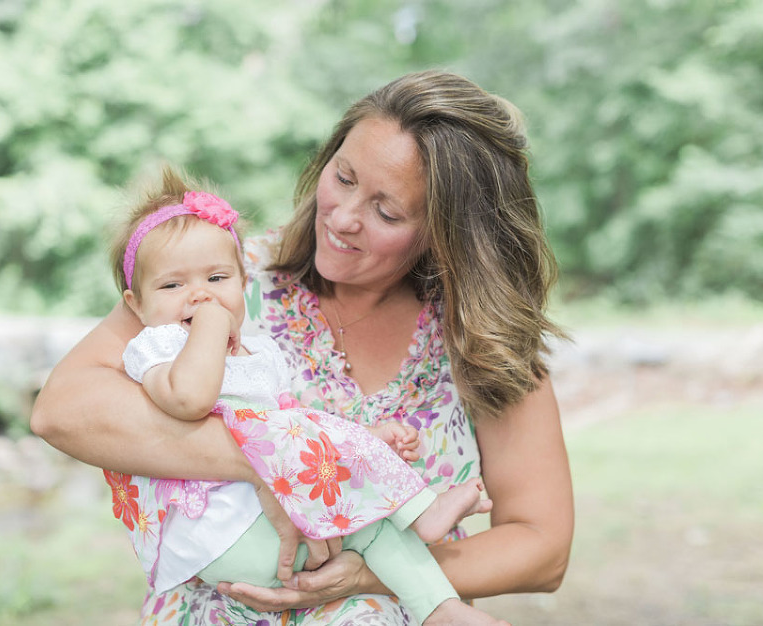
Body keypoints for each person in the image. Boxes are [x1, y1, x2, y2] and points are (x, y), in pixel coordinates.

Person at [32, 69, 574, 625]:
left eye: (386, 212)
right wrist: (276, 464)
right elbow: (62, 411)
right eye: (342, 177)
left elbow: (543, 546)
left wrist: (373, 573)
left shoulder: (479, 339)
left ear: (447, 231)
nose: (341, 218)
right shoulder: (215, 282)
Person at [107, 172, 503, 625]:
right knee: (362, 525)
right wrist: (212, 327)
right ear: (135, 304)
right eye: (172, 286)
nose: (199, 295)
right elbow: (191, 401)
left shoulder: (256, 352)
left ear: (243, 282)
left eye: (217, 278)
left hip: (273, 518)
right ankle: (424, 511)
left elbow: (295, 424)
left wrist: (363, 441)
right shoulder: (155, 349)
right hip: (228, 533)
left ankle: (441, 608)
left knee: (372, 530)